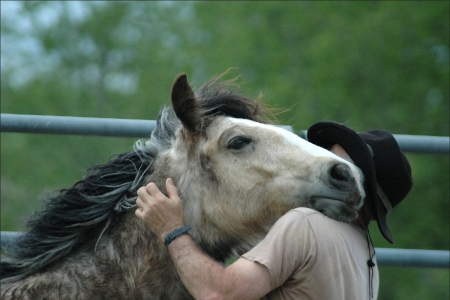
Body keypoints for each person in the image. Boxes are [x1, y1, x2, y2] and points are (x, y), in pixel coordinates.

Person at [135, 121, 413, 300]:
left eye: (332, 156)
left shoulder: (305, 225)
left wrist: (172, 230)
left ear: (346, 175)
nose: (318, 154)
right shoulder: (367, 258)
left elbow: (218, 294)